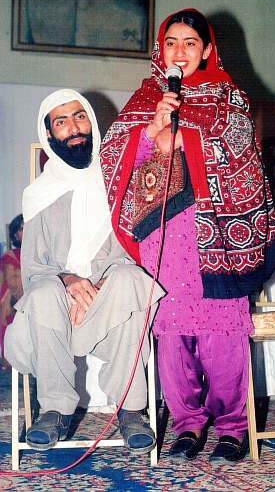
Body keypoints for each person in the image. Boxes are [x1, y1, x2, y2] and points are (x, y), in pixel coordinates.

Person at [100, 9, 275, 463]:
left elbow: (239, 146)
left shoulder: (228, 96)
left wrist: (184, 140)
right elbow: (114, 151)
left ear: (206, 50)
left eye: (190, 43)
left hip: (215, 231)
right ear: (160, 50)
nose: (180, 52)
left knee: (220, 333)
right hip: (164, 235)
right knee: (173, 331)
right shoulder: (147, 96)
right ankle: (186, 424)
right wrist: (151, 130)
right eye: (171, 43)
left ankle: (232, 428)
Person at [4, 89, 164, 454]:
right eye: (61, 122)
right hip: (51, 319)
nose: (73, 127)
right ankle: (55, 411)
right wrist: (68, 281)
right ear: (49, 135)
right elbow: (33, 273)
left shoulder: (116, 182)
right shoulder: (38, 195)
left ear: (91, 122)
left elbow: (131, 252)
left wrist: (98, 283)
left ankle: (130, 409)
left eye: (79, 117)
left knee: (130, 280)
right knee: (44, 292)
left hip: (106, 311)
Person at [0, 214, 24, 369]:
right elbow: (11, 281)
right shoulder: (9, 255)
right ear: (15, 233)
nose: (26, 231)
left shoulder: (39, 255)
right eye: (21, 228)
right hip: (11, 301)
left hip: (31, 299)